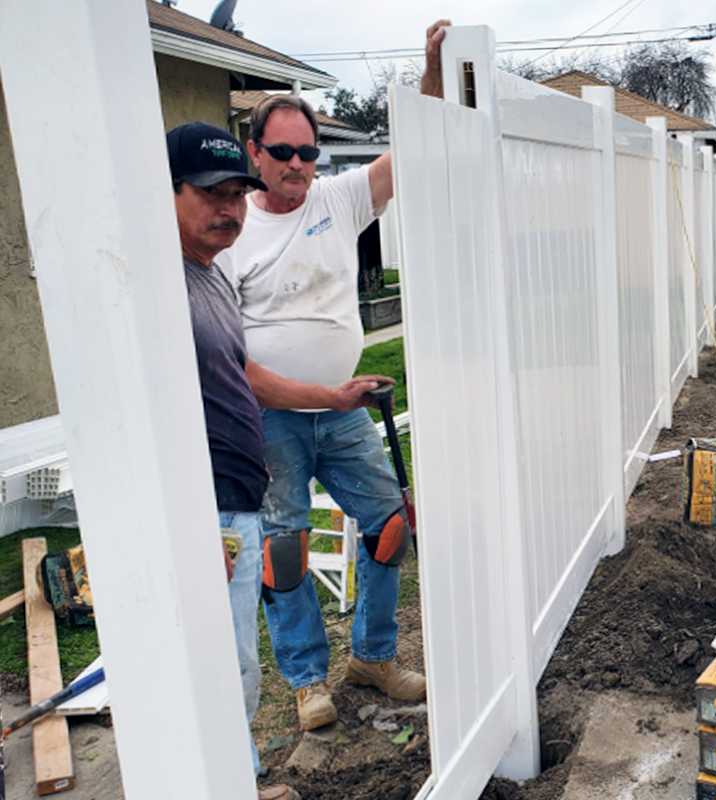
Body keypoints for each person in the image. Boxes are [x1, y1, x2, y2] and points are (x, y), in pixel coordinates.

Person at [217, 20, 451, 731]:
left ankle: (373, 659)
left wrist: (432, 67)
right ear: (255, 153)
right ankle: (306, 680)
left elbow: (412, 144)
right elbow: (240, 369)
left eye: (308, 152)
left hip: (343, 411)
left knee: (388, 528)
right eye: (283, 152)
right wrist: (324, 395)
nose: (298, 164)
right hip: (277, 418)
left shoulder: (339, 199)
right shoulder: (232, 233)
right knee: (283, 548)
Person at [167, 122, 297, 800]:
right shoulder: (159, 287)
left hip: (236, 500)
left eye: (239, 195)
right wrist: (193, 523)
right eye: (213, 194)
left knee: (237, 662)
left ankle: (238, 778)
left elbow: (236, 373)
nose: (231, 209)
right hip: (208, 507)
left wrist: (330, 393)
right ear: (168, 193)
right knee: (221, 667)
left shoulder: (211, 278)